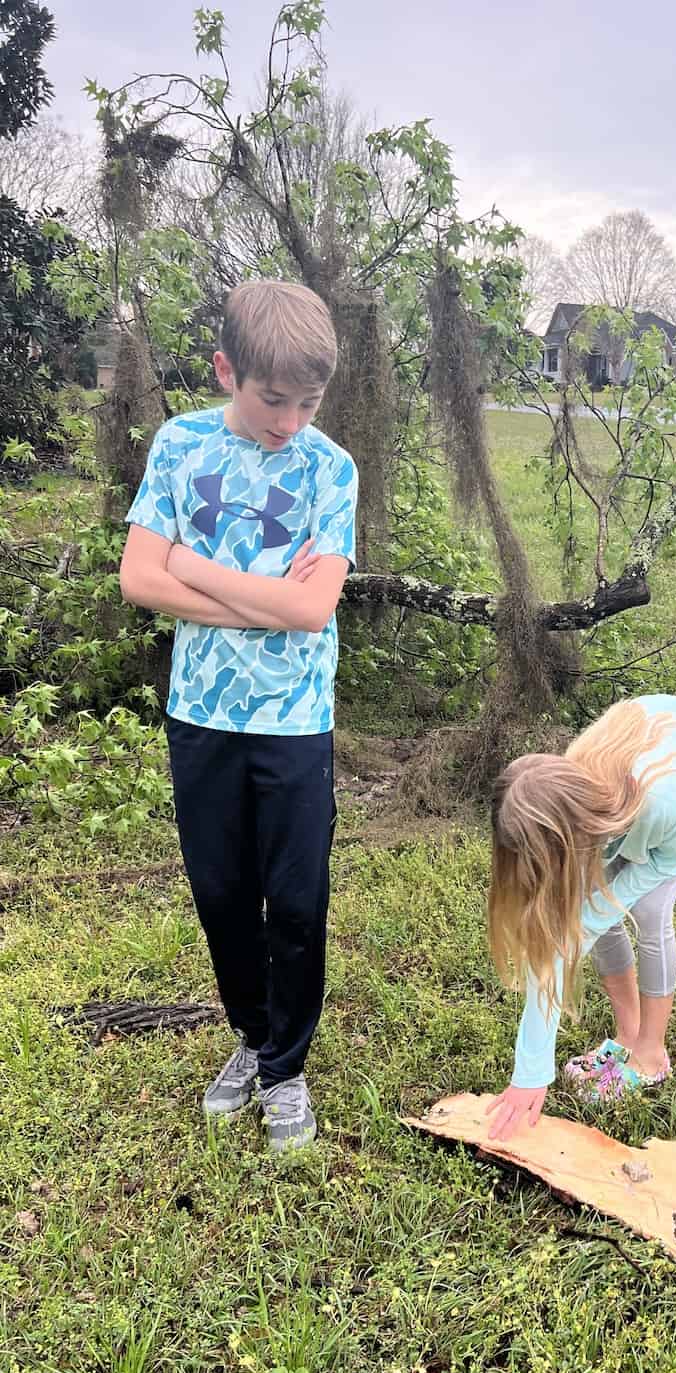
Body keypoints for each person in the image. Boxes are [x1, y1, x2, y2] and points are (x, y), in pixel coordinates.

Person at [119, 280, 358, 1153]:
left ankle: (286, 1069)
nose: (289, 421)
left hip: (296, 719)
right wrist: (259, 595)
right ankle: (253, 1041)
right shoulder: (179, 447)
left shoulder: (331, 468)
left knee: (294, 902)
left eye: (308, 402)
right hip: (202, 713)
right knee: (221, 892)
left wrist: (193, 565)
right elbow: (138, 580)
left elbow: (311, 612)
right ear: (227, 369)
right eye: (271, 398)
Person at [485, 695, 676, 1140]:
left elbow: (666, 859)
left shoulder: (665, 801)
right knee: (588, 906)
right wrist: (531, 1070)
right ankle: (627, 1034)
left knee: (648, 909)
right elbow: (556, 948)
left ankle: (650, 1055)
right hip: (633, 781)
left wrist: (594, 914)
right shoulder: (566, 792)